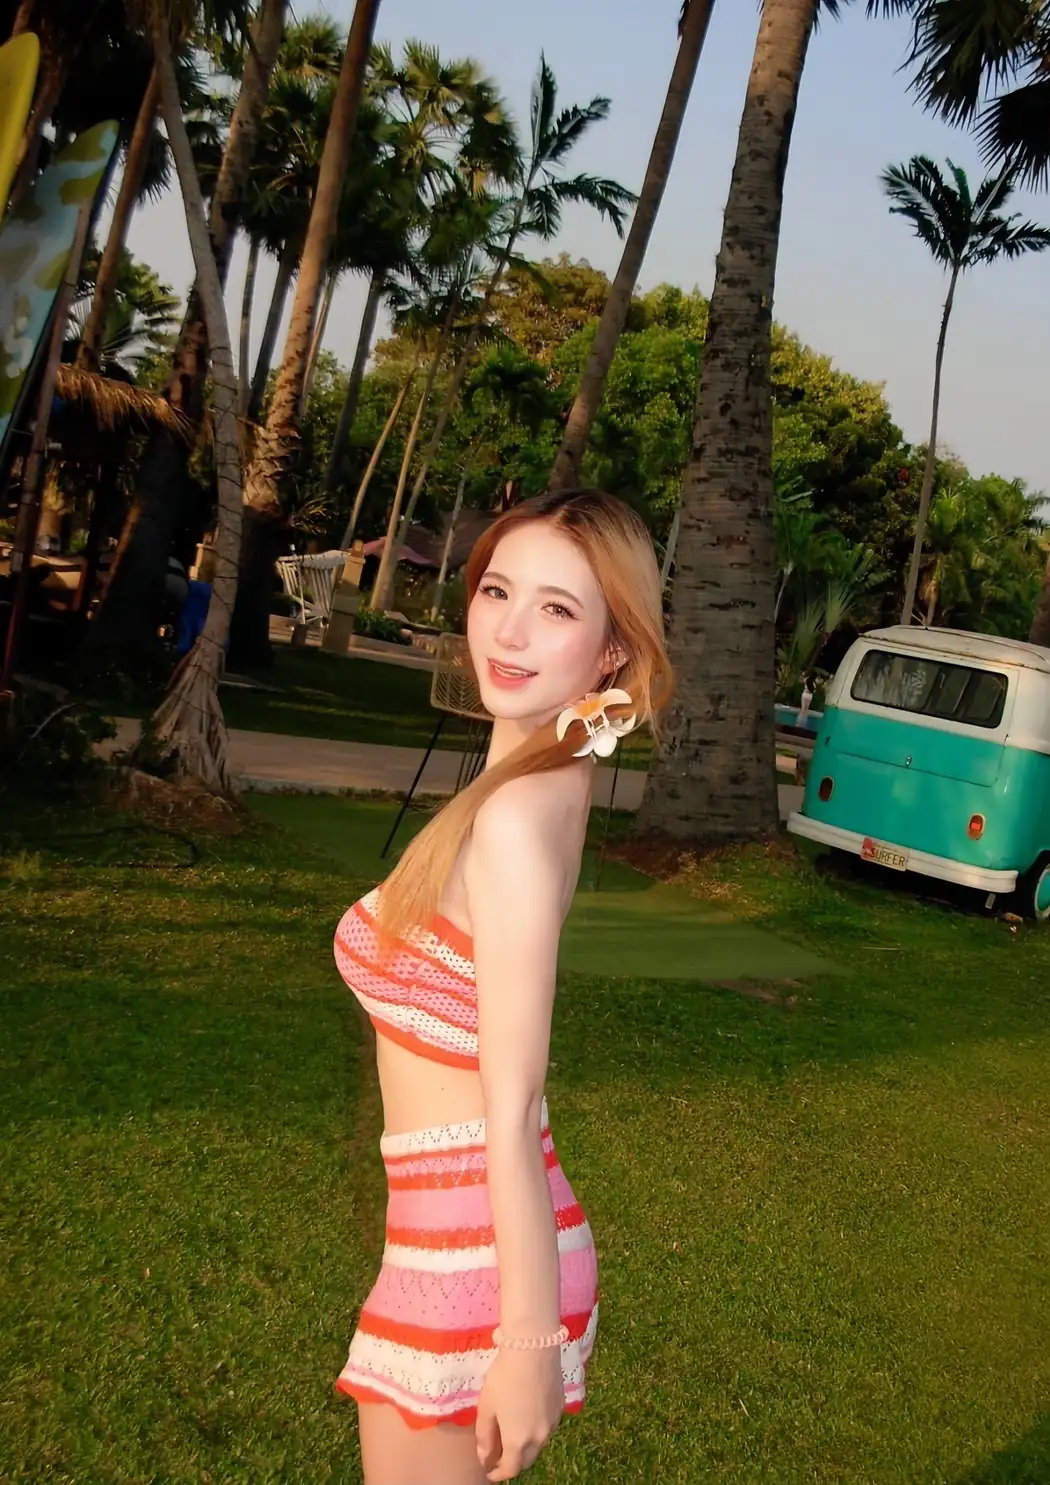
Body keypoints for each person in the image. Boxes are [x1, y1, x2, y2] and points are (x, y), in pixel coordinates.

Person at [332, 488, 673, 1484]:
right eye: (496, 591)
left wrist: (526, 1345)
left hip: (479, 1257)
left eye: (557, 609)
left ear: (612, 649)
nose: (511, 631)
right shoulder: (536, 774)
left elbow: (514, 1104)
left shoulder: (517, 819)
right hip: (458, 1236)